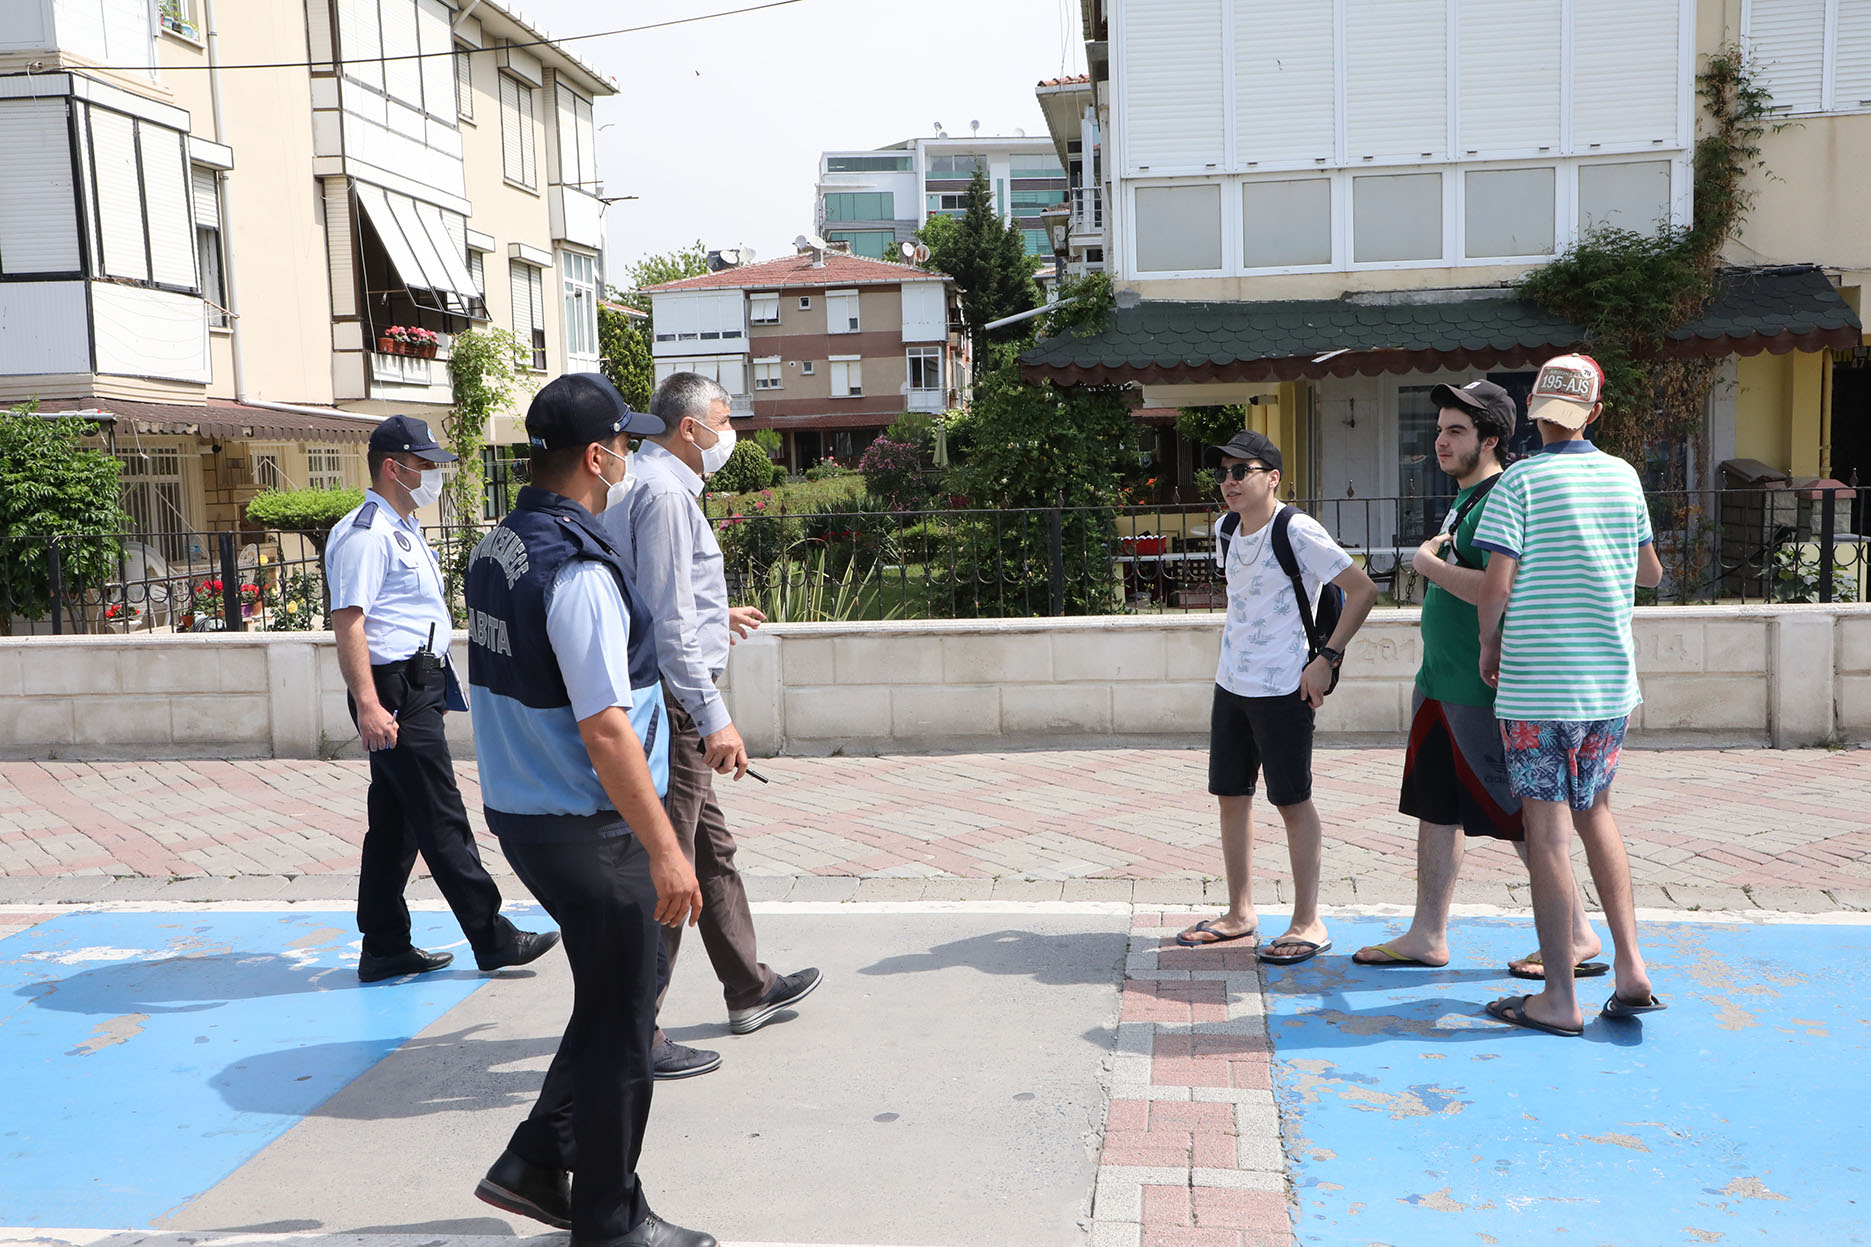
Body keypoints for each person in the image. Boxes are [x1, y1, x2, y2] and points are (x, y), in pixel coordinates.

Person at [466, 373, 715, 1247]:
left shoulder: (504, 542)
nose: (630, 461)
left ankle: (535, 1158)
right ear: (598, 456)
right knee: (624, 1035)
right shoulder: (575, 570)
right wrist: (664, 850)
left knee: (610, 998)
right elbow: (606, 728)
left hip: (529, 809)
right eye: (624, 445)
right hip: (588, 821)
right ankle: (611, 1221)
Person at [604, 371, 821, 1080]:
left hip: (671, 692)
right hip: (676, 701)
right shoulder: (665, 493)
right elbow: (668, 624)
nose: (731, 434)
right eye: (723, 421)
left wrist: (713, 616)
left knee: (710, 851)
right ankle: (636, 1027)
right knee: (671, 865)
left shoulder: (648, 484)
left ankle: (747, 986)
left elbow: (651, 594)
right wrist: (715, 718)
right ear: (688, 428)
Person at [1352, 381, 1603, 977]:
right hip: (1440, 681)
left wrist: (1428, 565)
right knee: (1436, 808)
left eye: (1456, 431)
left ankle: (1578, 934)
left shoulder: (1502, 497)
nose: (1440, 440)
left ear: (1490, 439)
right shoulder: (1468, 497)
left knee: (1522, 819)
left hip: (1481, 688)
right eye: (1439, 429)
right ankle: (1428, 934)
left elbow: (1501, 591)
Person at [1471, 354, 1669, 1036]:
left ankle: (1558, 996)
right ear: (1594, 412)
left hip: (1535, 685)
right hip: (1606, 685)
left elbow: (1496, 584)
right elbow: (1649, 572)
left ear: (1533, 408)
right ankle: (1631, 966)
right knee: (1598, 813)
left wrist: (1487, 643)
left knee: (1547, 835)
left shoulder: (1520, 481)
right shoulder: (1622, 476)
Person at [324, 414, 557, 983]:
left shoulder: (400, 526)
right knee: (441, 814)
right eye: (424, 465)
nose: (434, 475)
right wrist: (369, 704)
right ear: (392, 467)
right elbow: (349, 621)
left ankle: (383, 945)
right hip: (395, 688)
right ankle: (492, 936)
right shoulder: (366, 534)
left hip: (418, 680)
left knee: (396, 824)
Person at [1177, 430, 1381, 965]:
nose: (1228, 482)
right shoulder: (1225, 530)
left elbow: (1363, 590)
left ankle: (1308, 920)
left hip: (1284, 688)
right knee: (1230, 794)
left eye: (1240, 471)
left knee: (1292, 800)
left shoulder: (1298, 530)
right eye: (1223, 472)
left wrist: (1327, 659)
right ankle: (1240, 912)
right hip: (1233, 685)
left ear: (1272, 477)